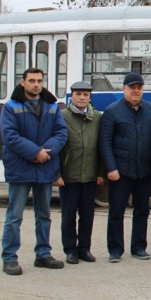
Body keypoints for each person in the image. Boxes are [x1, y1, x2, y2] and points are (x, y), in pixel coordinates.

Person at [0, 68, 68, 275]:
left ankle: (43, 255)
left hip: (44, 166)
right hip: (21, 168)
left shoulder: (52, 106)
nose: (36, 84)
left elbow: (61, 132)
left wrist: (46, 152)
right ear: (23, 82)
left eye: (39, 81)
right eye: (32, 81)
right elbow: (10, 136)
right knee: (15, 216)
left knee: (44, 214)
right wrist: (36, 152)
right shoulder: (10, 107)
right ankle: (9, 258)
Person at [98, 72, 151, 263]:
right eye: (132, 87)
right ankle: (115, 250)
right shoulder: (112, 111)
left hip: (144, 170)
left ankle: (139, 247)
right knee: (117, 211)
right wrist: (111, 168)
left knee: (142, 210)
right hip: (120, 172)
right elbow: (105, 142)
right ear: (124, 89)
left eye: (139, 88)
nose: (136, 91)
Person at [57, 81, 104, 264]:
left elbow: (101, 147)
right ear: (72, 96)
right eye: (78, 94)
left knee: (87, 215)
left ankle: (85, 249)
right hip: (69, 175)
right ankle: (70, 250)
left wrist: (100, 172)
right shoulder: (61, 116)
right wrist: (57, 174)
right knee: (68, 215)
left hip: (90, 175)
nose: (82, 98)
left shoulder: (97, 118)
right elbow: (57, 148)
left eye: (85, 95)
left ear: (90, 98)